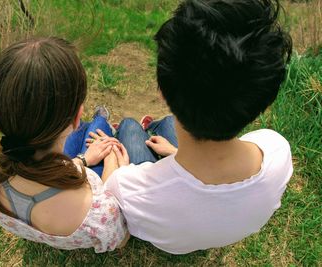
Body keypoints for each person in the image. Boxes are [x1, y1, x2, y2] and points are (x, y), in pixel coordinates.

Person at [104, 0, 294, 254]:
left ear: (162, 91)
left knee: (129, 128)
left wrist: (110, 162)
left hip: (166, 225)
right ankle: (156, 129)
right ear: (265, 100)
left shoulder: (131, 191)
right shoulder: (277, 150)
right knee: (167, 126)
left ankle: (138, 128)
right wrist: (174, 152)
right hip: (199, 215)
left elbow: (107, 201)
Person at [0, 37, 129, 253]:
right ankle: (101, 120)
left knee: (97, 131)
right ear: (76, 119)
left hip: (63, 175)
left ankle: (99, 121)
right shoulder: (98, 210)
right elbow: (121, 239)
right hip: (77, 188)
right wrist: (115, 170)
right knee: (100, 128)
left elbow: (29, 173)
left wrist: (83, 159)